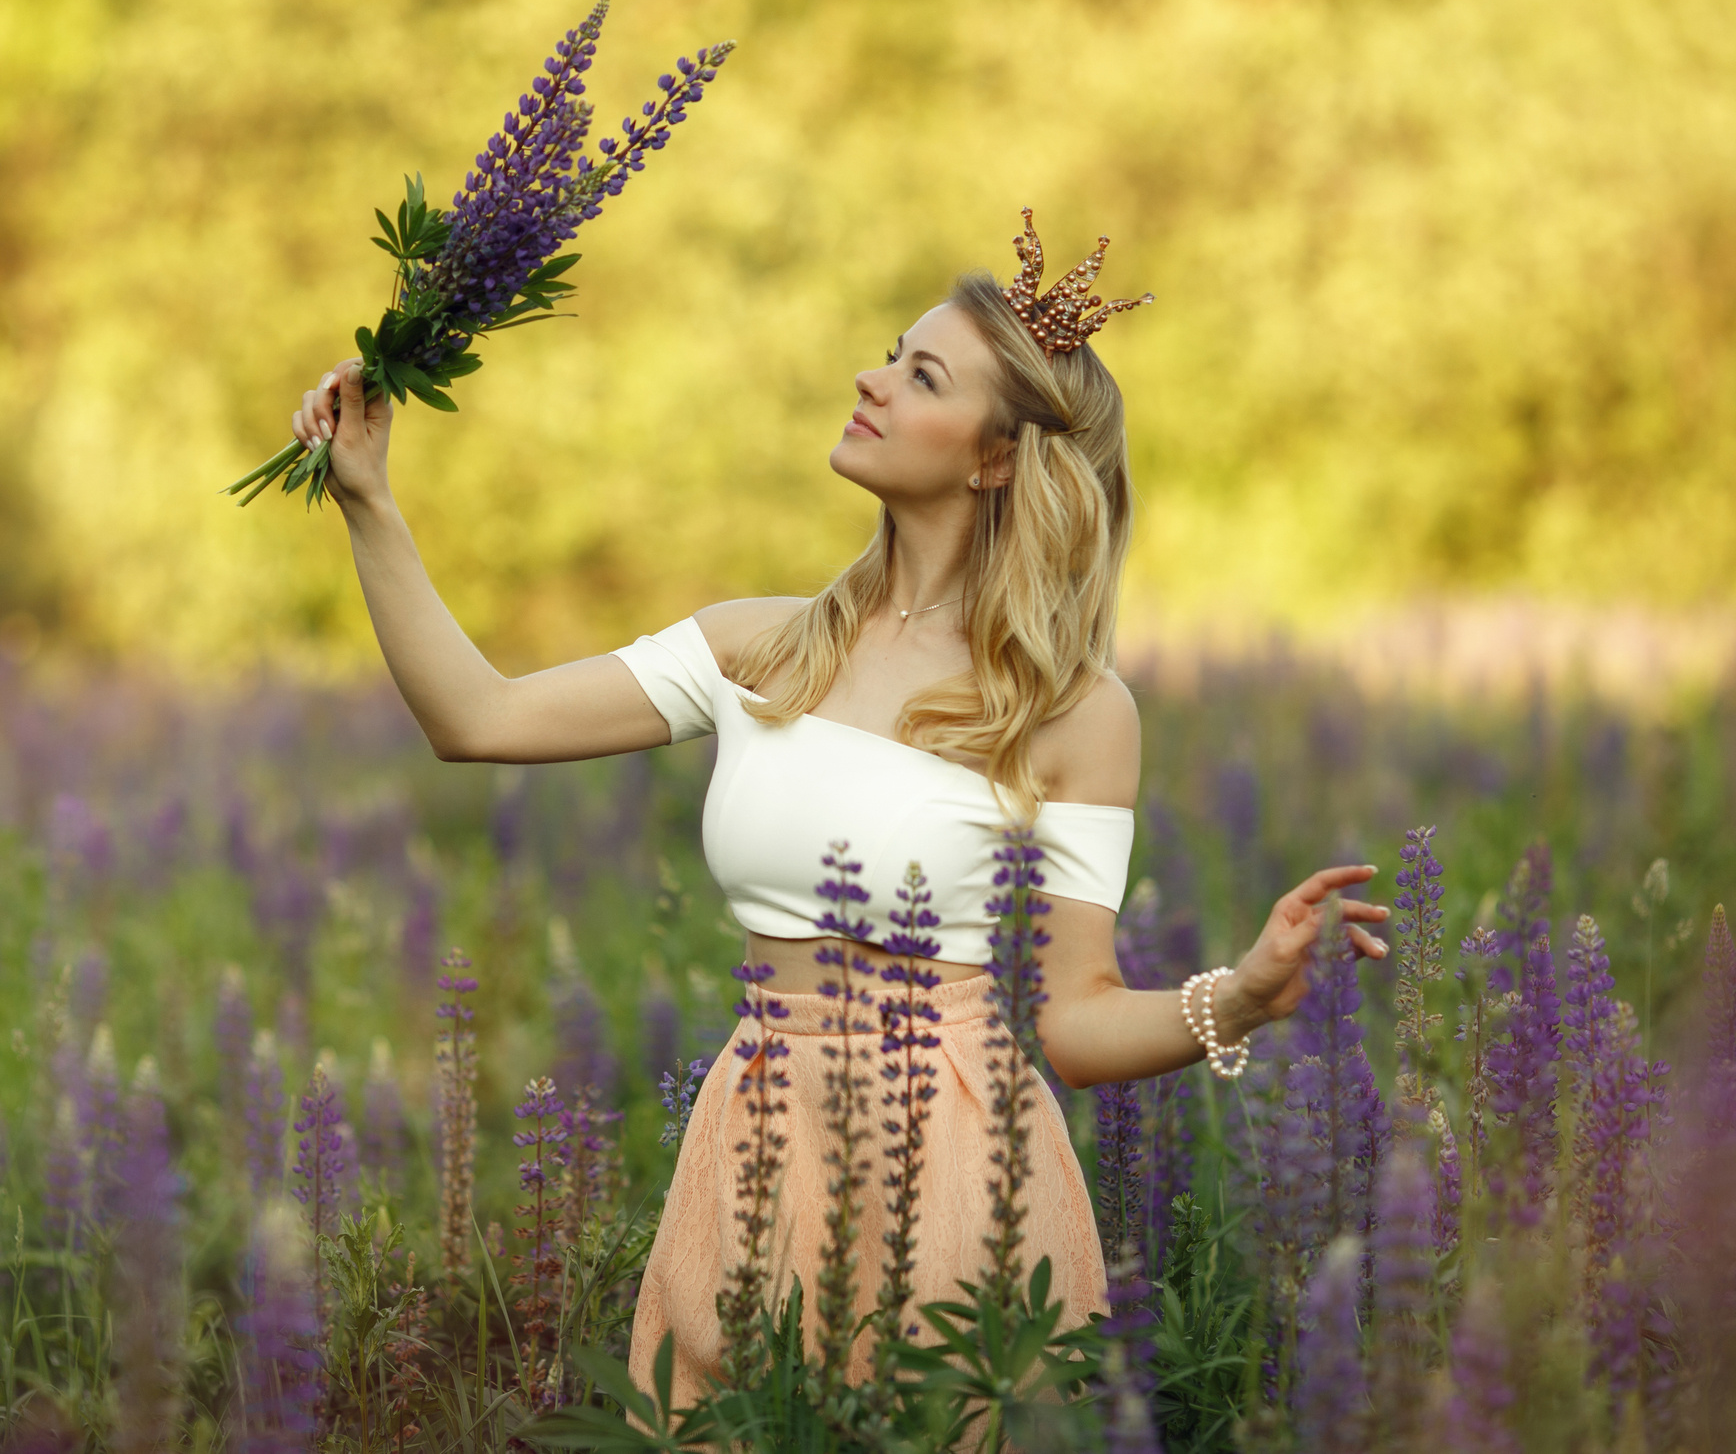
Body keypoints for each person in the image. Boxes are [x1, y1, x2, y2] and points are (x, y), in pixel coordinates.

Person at [281, 210, 1391, 1402]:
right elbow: (478, 720)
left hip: (960, 1164)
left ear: (994, 458)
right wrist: (369, 503)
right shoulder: (761, 645)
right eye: (887, 353)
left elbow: (1074, 1022)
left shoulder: (1069, 710)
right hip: (752, 1140)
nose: (870, 379)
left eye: (920, 375)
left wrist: (1248, 995)